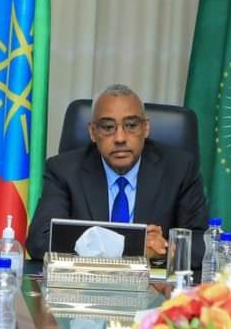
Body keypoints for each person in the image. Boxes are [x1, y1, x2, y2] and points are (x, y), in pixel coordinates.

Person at [26, 84, 208, 265]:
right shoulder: (64, 170)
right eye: (107, 127)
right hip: (89, 281)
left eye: (131, 126)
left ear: (146, 128)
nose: (120, 138)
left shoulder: (179, 168)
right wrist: (134, 247)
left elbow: (202, 244)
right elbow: (39, 241)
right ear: (93, 132)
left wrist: (161, 251)